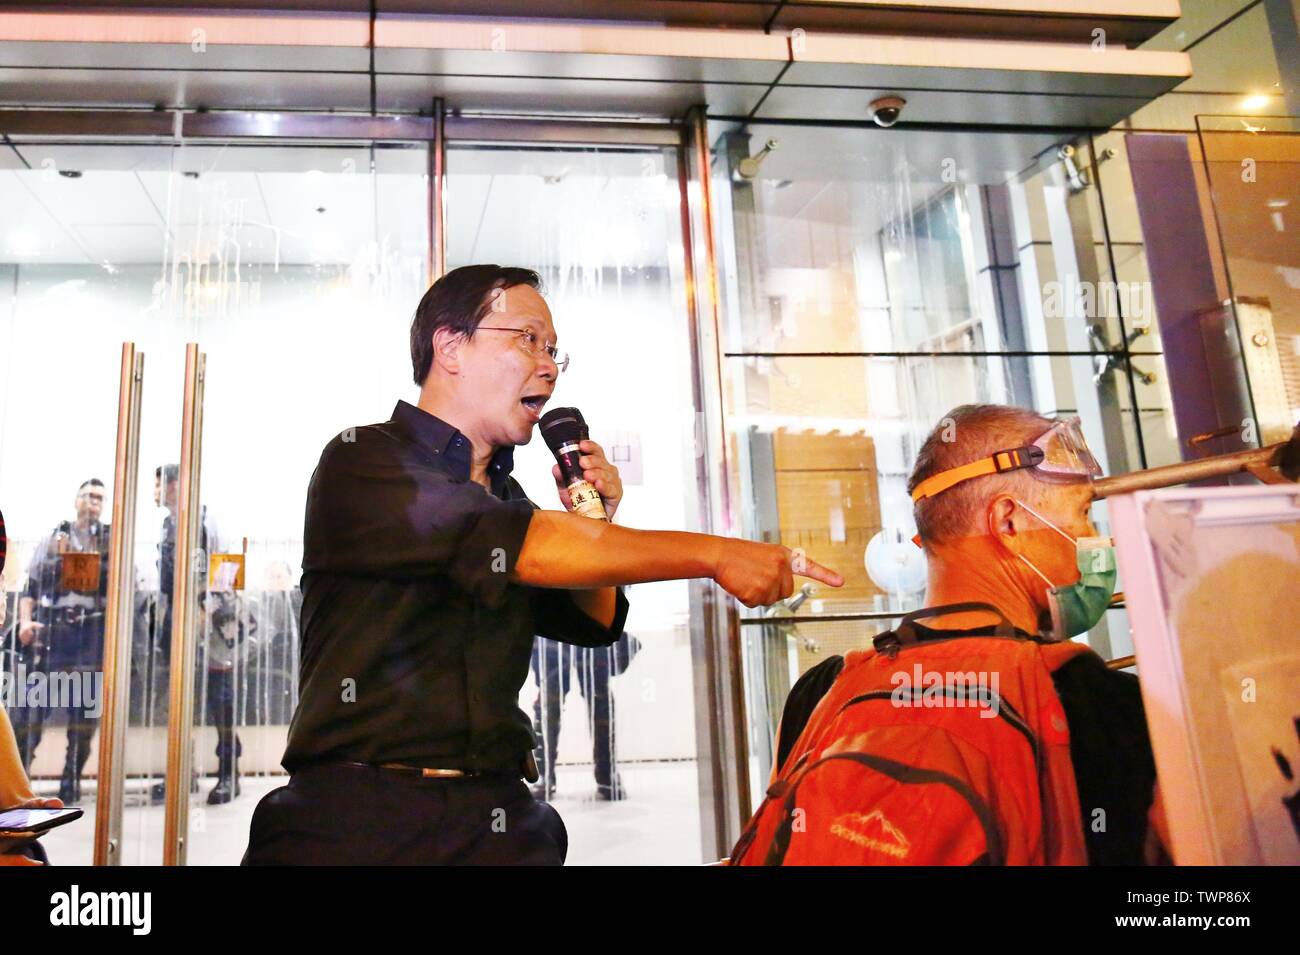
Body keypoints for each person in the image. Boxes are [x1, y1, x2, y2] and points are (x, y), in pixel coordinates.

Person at [242, 264, 841, 866]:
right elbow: (531, 546)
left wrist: (594, 518)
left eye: (554, 350)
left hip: (497, 819)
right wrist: (718, 553)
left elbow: (592, 614)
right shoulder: (365, 461)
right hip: (358, 819)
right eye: (527, 339)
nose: (548, 365)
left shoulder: (508, 499)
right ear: (450, 346)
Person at [768, 404, 1168, 865]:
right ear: (1009, 523)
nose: (1096, 539)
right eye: (1082, 514)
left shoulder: (820, 693)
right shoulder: (1100, 704)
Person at [11, 479, 110, 806]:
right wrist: (26, 622)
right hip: (55, 633)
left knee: (84, 714)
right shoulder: (56, 538)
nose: (93, 503)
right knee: (32, 709)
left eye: (99, 498)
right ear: (76, 500)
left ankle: (72, 776)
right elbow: (32, 585)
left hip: (91, 633)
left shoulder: (109, 540)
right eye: (88, 496)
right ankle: (19, 781)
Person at [530, 629, 639, 801]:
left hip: (583, 623)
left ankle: (605, 775)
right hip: (567, 623)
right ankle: (546, 775)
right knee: (549, 701)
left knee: (597, 701)